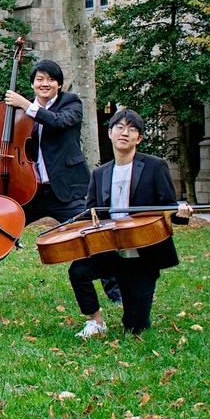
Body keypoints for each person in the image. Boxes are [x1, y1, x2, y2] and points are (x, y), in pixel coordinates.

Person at [0, 60, 120, 304]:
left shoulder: (71, 103)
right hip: (28, 190)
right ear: (32, 83)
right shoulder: (18, 111)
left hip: (65, 190)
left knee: (94, 235)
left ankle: (117, 294)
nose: (45, 84)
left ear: (59, 84)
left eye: (50, 79)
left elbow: (58, 122)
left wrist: (28, 106)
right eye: (39, 79)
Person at [68, 109, 192, 339]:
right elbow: (91, 212)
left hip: (143, 255)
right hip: (110, 249)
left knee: (135, 328)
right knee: (78, 271)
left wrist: (181, 213)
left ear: (139, 138)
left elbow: (167, 208)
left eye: (132, 129)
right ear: (110, 133)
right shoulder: (99, 174)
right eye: (120, 127)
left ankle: (134, 313)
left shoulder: (155, 167)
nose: (125, 133)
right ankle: (95, 322)